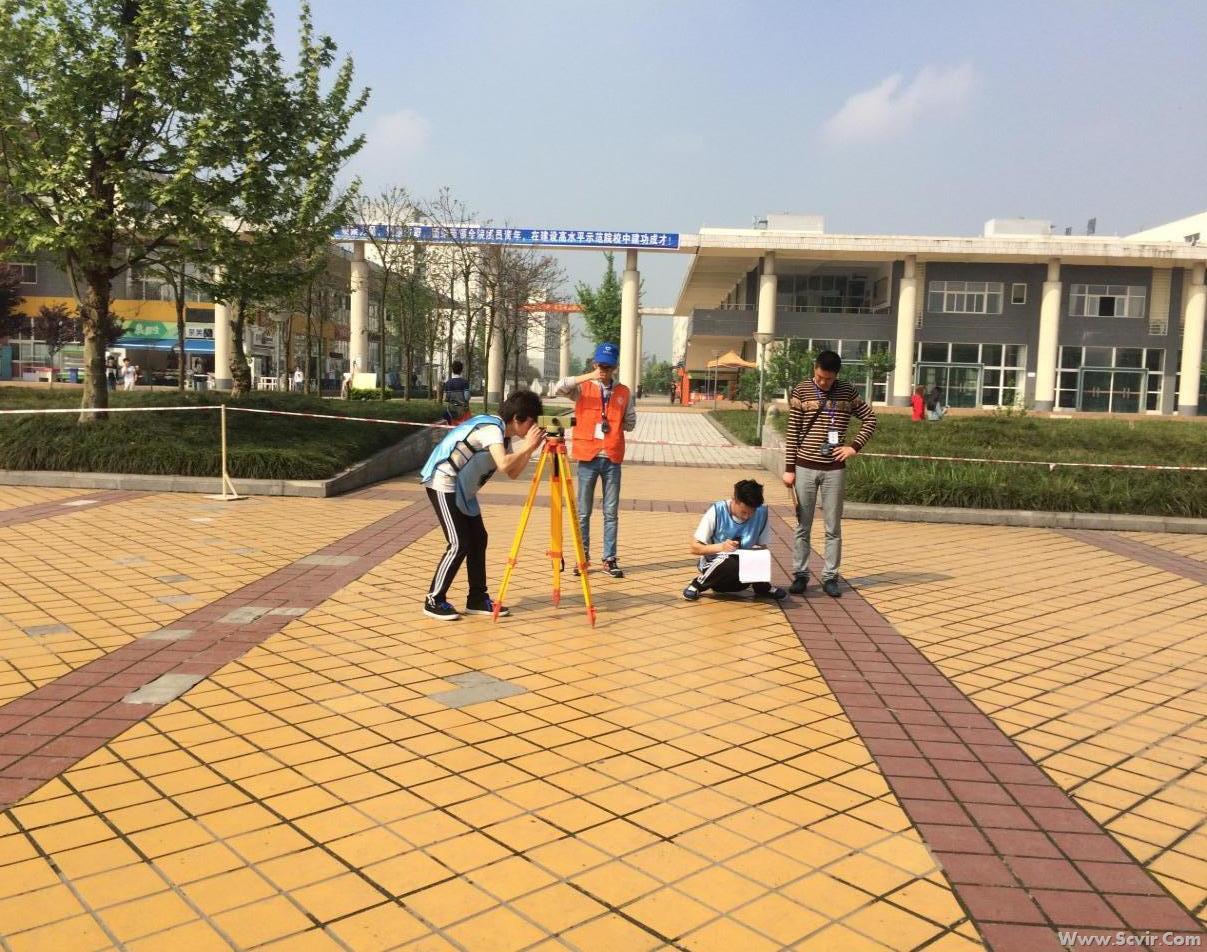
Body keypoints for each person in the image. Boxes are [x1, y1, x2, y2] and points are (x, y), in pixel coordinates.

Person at [419, 390, 546, 621]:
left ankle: (477, 599)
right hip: (442, 480)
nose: (533, 427)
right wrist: (528, 447)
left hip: (463, 488)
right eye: (532, 421)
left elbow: (512, 472)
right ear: (517, 418)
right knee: (459, 542)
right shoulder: (492, 428)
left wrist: (530, 449)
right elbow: (503, 462)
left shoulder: (504, 436)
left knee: (478, 539)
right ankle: (434, 599)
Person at [783, 350, 878, 598]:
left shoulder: (847, 391)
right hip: (804, 466)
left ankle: (830, 576)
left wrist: (853, 447)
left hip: (834, 469)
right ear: (814, 369)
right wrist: (789, 469)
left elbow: (870, 419)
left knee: (833, 527)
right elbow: (792, 431)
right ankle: (800, 574)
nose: (823, 382)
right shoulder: (801, 390)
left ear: (837, 375)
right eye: (819, 377)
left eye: (828, 379)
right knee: (802, 525)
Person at [553, 342, 636, 579]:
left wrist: (617, 424)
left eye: (608, 367)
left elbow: (630, 422)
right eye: (600, 366)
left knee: (611, 512)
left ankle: (609, 559)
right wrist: (589, 377)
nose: (604, 371)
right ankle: (582, 557)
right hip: (587, 456)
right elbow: (559, 387)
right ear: (594, 364)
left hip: (612, 457)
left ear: (615, 367)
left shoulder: (624, 392)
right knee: (583, 512)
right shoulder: (582, 388)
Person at [683, 479, 787, 602]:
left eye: (752, 512)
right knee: (730, 560)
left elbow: (762, 545)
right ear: (734, 500)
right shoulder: (717, 511)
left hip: (743, 577)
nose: (747, 516)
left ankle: (762, 587)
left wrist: (758, 553)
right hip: (716, 574)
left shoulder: (761, 513)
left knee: (761, 554)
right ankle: (697, 584)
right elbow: (694, 547)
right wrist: (721, 547)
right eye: (744, 512)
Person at [439, 360, 471, 425]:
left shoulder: (447, 383)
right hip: (464, 411)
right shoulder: (465, 382)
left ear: (452, 370)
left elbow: (446, 398)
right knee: (464, 429)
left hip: (452, 412)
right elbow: (467, 397)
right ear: (461, 370)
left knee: (453, 429)